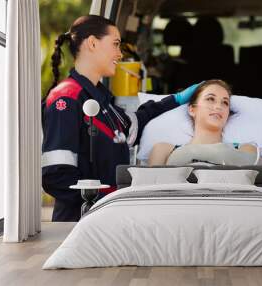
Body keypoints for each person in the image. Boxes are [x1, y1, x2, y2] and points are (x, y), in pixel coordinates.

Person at [42, 15, 199, 222]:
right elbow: (57, 176)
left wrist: (175, 99)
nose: (120, 53)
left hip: (110, 219)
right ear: (92, 43)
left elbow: (131, 124)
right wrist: (111, 199)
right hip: (79, 225)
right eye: (115, 44)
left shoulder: (103, 101)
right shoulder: (67, 98)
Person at [148, 80, 262, 167]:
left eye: (225, 103)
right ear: (192, 109)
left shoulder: (246, 149)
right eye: (210, 99)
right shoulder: (164, 150)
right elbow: (150, 194)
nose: (218, 106)